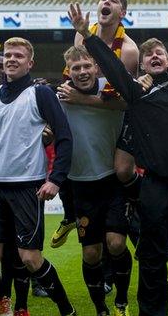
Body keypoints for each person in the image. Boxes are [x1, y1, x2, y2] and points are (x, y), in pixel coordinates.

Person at [69, 2, 168, 316]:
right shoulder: (136, 93)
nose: (155, 57)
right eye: (148, 56)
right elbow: (114, 68)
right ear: (143, 65)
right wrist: (86, 36)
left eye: (160, 52)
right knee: (152, 258)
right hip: (156, 188)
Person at [0, 37, 75, 316]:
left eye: (18, 56)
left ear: (30, 62)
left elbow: (64, 136)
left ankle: (67, 310)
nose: (11, 59)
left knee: (30, 258)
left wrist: (55, 178)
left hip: (28, 187)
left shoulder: (40, 94)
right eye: (8, 54)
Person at [54, 0, 141, 250]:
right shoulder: (81, 34)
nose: (106, 2)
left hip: (116, 116)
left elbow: (127, 101)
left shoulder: (128, 50)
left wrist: (81, 100)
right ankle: (70, 215)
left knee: (122, 169)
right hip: (86, 111)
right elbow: (74, 76)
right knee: (69, 148)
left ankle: (136, 213)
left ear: (122, 13)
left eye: (113, 1)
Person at [60, 43, 132, 316]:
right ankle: (100, 309)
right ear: (69, 71)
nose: (82, 72)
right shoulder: (61, 97)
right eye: (75, 68)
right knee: (91, 253)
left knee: (116, 243)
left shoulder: (112, 87)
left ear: (96, 67)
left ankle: (121, 301)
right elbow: (50, 127)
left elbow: (129, 102)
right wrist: (47, 134)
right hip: (80, 183)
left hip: (112, 179)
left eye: (86, 66)